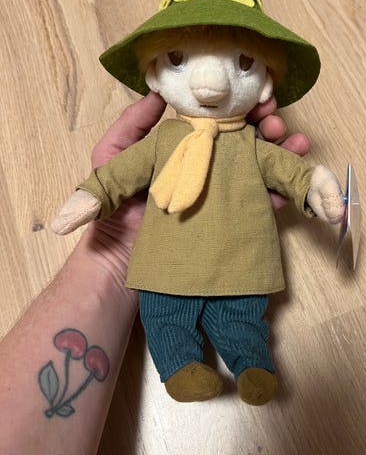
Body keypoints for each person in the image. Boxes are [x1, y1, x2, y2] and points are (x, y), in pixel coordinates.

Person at [0, 92, 311, 454]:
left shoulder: (250, 146)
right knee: (165, 316)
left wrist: (316, 191)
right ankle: (180, 366)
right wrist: (95, 193)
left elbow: (292, 173)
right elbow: (123, 171)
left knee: (240, 315)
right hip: (166, 259)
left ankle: (253, 364)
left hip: (237, 258)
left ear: (262, 86)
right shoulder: (164, 139)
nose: (211, 84)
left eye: (241, 67)